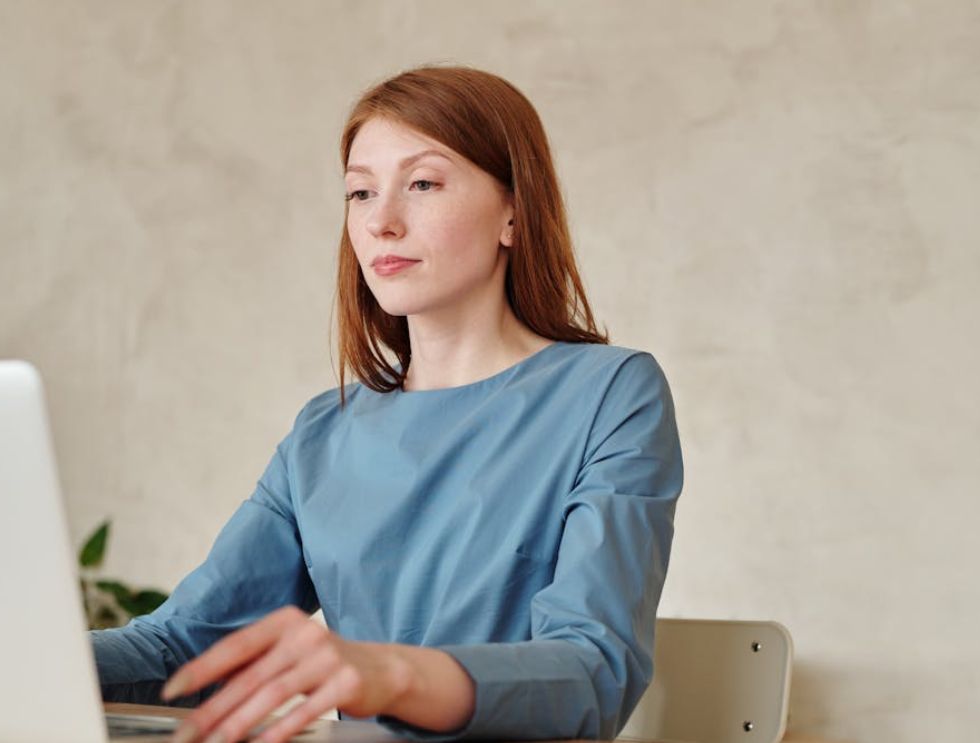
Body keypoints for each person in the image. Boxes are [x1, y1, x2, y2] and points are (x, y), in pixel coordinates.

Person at [91, 65, 684, 743]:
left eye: (422, 183)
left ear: (514, 213)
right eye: (359, 192)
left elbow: (593, 669)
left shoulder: (609, 393)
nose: (381, 222)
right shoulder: (324, 430)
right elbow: (183, 647)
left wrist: (392, 672)